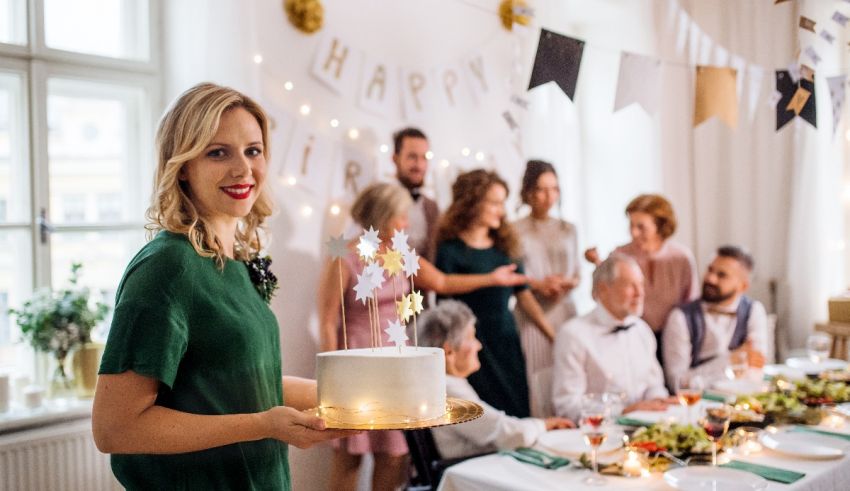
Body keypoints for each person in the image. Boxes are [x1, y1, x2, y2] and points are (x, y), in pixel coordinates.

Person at [91, 83, 351, 490]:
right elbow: (114, 428)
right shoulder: (167, 267)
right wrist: (264, 425)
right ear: (182, 165)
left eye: (253, 150)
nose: (243, 169)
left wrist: (348, 393)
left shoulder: (237, 261)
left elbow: (237, 383)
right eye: (218, 152)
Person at [316, 182, 529, 491]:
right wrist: (330, 378)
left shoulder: (401, 254)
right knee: (350, 455)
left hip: (397, 363)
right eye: (400, 216)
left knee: (394, 454)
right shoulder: (344, 257)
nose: (405, 224)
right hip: (357, 362)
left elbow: (442, 282)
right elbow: (327, 320)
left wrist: (492, 279)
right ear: (382, 216)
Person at [435, 169, 555, 419]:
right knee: (478, 415)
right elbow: (443, 296)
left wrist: (552, 335)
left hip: (505, 341)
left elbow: (524, 295)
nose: (501, 211)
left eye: (503, 203)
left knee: (516, 410)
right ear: (472, 203)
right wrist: (491, 279)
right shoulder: (450, 250)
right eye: (495, 203)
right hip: (471, 346)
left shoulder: (506, 246)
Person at [419, 300, 573, 459]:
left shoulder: (442, 384)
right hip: (474, 467)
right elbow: (508, 434)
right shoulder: (447, 390)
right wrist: (544, 425)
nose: (478, 345)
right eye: (471, 337)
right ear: (448, 351)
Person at [552, 254, 670, 422]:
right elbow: (567, 406)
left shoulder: (642, 330)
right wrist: (622, 412)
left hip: (646, 428)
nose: (640, 293)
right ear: (603, 289)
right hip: (599, 433)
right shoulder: (573, 335)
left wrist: (659, 401)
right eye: (630, 285)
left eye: (641, 284)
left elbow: (654, 385)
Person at [584, 194, 699, 358]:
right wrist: (597, 264)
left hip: (674, 338)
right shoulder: (620, 255)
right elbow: (602, 294)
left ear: (659, 226)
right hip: (632, 336)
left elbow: (692, 304)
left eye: (641, 227)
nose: (634, 233)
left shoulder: (681, 258)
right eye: (631, 225)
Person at [513, 160, 580, 416]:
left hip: (565, 309)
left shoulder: (569, 229)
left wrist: (568, 283)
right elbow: (514, 276)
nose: (548, 196)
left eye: (554, 189)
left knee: (569, 372)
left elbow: (577, 274)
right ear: (528, 192)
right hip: (532, 311)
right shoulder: (514, 229)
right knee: (539, 377)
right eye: (541, 189)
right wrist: (539, 284)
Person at [662, 245, 768, 388]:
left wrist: (700, 377)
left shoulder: (754, 310)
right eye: (710, 270)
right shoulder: (680, 317)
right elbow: (677, 382)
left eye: (722, 275)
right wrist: (730, 361)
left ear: (743, 286)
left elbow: (755, 370)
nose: (710, 279)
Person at [392, 127, 439, 262]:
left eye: (424, 157)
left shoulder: (432, 207)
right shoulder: (378, 201)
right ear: (395, 159)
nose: (419, 165)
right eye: (412, 156)